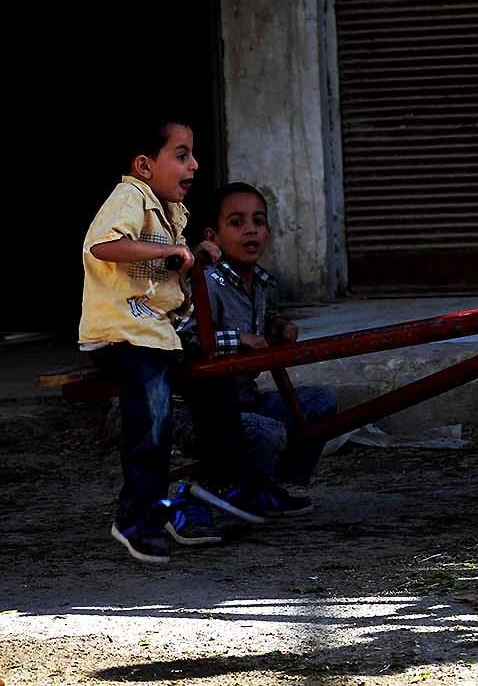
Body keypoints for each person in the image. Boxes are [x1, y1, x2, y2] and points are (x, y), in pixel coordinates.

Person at [80, 118, 263, 564]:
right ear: (144, 165)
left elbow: (167, 276)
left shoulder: (171, 214)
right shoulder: (131, 198)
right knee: (154, 417)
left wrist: (191, 256)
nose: (194, 165)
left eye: (192, 155)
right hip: (120, 336)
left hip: (157, 338)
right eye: (181, 155)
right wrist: (168, 252)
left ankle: (221, 483)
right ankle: (136, 517)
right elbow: (102, 246)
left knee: (215, 379)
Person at [178, 182, 337, 514]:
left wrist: (276, 326)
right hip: (201, 414)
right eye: (237, 223)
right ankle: (232, 491)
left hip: (244, 400)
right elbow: (179, 339)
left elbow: (261, 322)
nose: (250, 230)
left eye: (258, 221)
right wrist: (238, 340)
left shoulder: (260, 283)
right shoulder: (203, 281)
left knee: (321, 402)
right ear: (213, 235)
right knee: (269, 431)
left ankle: (273, 485)